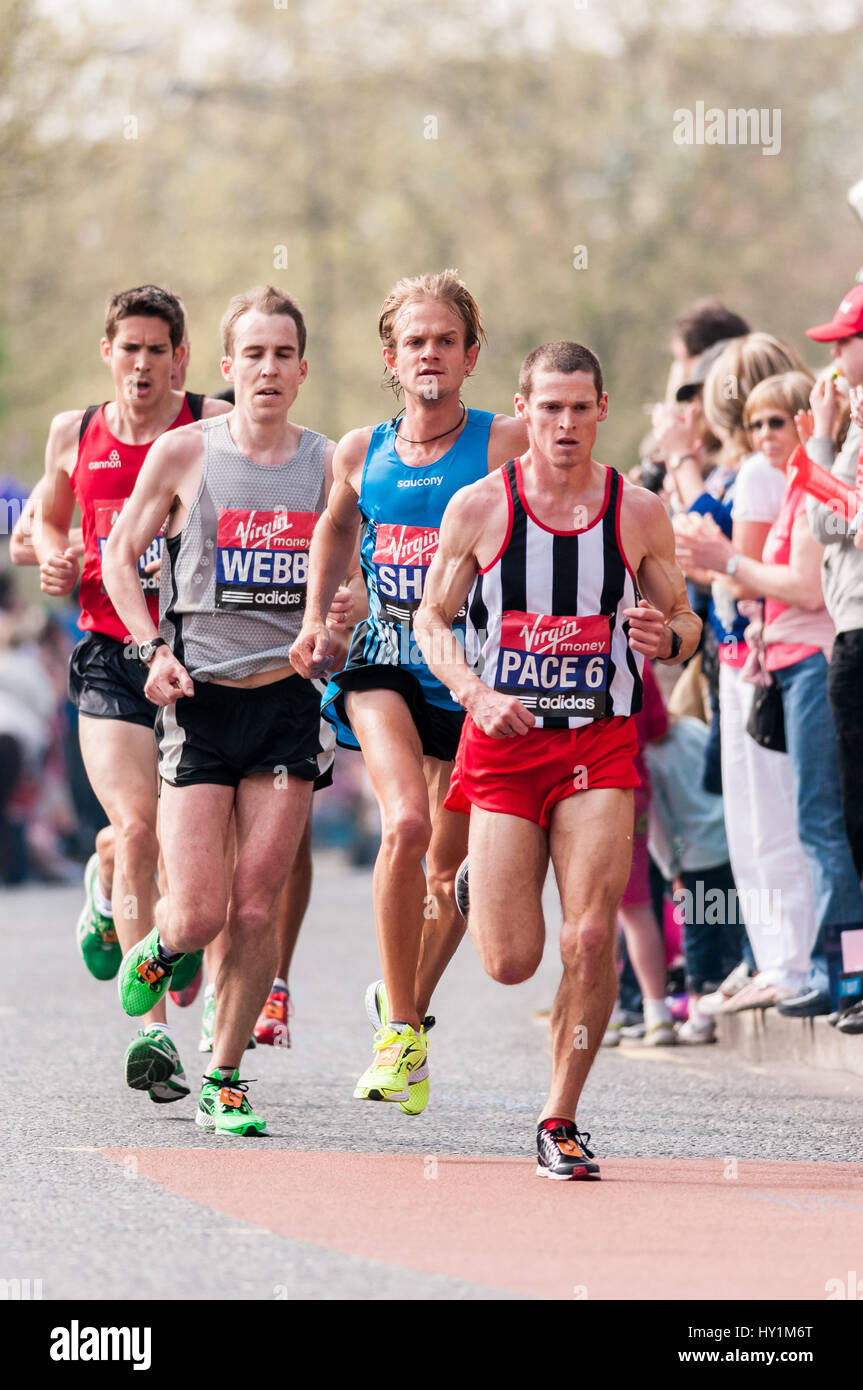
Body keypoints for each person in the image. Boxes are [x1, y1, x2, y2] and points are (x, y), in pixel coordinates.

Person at [414, 341, 700, 1178]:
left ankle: (559, 1117)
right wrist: (473, 692)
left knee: (586, 934)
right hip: (505, 747)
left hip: (598, 741)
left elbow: (686, 622)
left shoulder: (635, 510)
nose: (565, 423)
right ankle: (477, 886)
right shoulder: (479, 507)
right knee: (510, 962)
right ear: (523, 411)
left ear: (602, 410)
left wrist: (666, 635)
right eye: (549, 408)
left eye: (580, 407)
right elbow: (432, 620)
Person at [103, 285, 348, 1136]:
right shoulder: (183, 453)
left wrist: (337, 625)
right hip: (199, 700)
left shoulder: (328, 466)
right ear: (226, 367)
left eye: (283, 354)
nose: (268, 369)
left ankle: (227, 1076)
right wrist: (150, 650)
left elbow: (350, 586)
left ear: (303, 368)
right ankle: (164, 945)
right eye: (254, 354)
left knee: (254, 906)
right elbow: (117, 555)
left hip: (286, 705)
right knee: (201, 909)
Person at [290, 270, 527, 1116]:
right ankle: (399, 1029)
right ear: (391, 357)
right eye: (414, 341)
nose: (430, 354)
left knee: (452, 875)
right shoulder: (360, 450)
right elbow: (335, 524)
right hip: (385, 649)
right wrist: (320, 619)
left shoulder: (507, 443)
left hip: (472, 667)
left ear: (470, 354)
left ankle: (408, 1012)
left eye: (445, 340)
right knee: (410, 823)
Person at [23, 284, 230, 1102]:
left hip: (198, 661)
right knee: (139, 823)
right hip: (110, 656)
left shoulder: (210, 425)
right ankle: (155, 1041)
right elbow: (45, 516)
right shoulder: (74, 431)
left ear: (180, 357)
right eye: (128, 348)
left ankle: (106, 884)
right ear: (107, 352)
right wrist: (51, 553)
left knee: (167, 852)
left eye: (157, 349)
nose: (141, 364)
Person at [682, 370, 863, 1021]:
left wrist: (726, 562)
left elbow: (806, 586)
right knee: (812, 821)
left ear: (807, 423)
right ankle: (830, 970)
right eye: (755, 425)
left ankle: (839, 972)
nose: (764, 437)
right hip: (787, 665)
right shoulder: (792, 486)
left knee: (820, 822)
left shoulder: (814, 481)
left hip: (816, 662)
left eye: (777, 423)